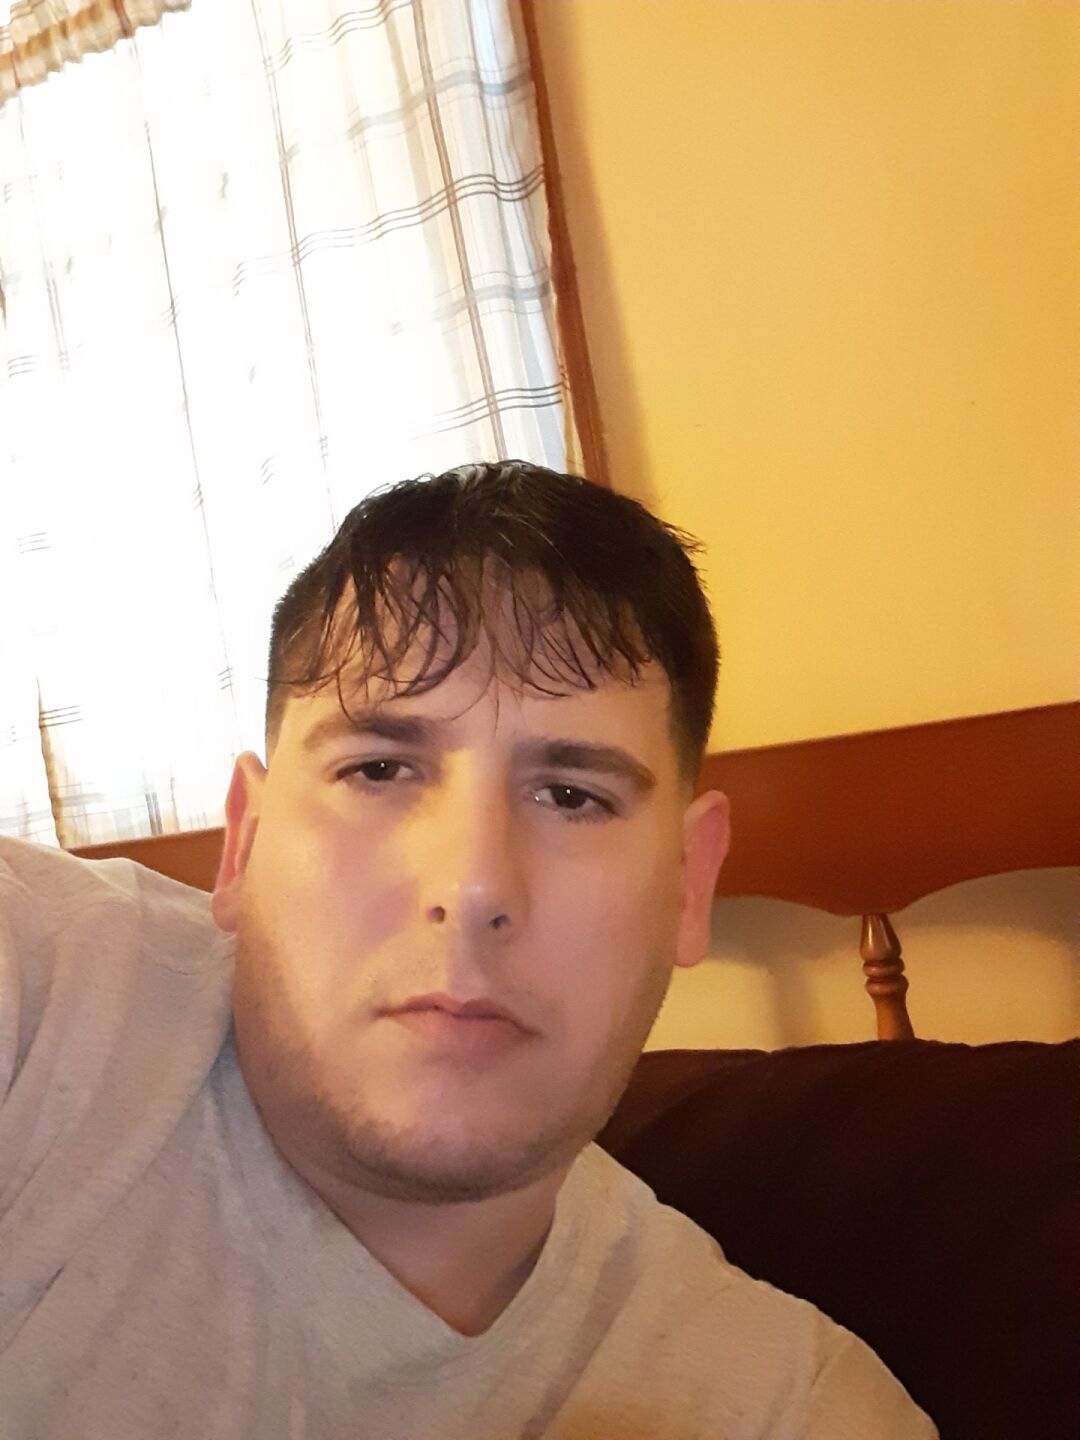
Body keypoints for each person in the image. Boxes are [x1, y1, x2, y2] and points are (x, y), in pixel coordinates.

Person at [0, 461, 936, 1437]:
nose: (473, 884)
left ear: (688, 885)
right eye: (377, 770)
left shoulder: (790, 1409)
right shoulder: (39, 989)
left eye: (572, 796)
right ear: (246, 843)